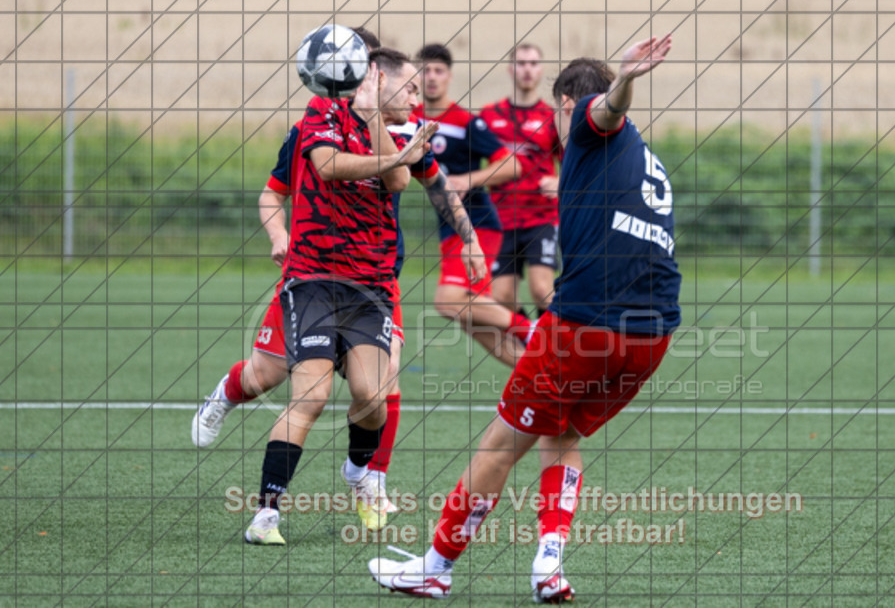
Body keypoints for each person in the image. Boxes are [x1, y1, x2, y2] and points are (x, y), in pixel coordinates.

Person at [369, 35, 680, 602]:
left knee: (500, 443)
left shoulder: (588, 122)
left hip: (588, 324)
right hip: (654, 335)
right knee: (560, 432)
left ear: (564, 106)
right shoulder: (646, 158)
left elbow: (606, 107)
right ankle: (549, 565)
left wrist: (626, 78)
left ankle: (436, 566)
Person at [193, 46, 486, 545]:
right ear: (373, 77)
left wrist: (471, 239)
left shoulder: (403, 130)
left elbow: (400, 180)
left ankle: (362, 472)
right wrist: (279, 234)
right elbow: (326, 168)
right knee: (297, 388)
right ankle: (266, 515)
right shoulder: (320, 114)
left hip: (372, 285)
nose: (419, 96)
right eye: (410, 86)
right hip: (311, 280)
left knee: (374, 394)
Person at [414, 43, 534, 367]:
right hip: (449, 229)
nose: (432, 77)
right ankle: (539, 378)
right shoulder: (410, 121)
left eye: (438, 71)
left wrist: (469, 179)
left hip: (478, 224)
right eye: (425, 70)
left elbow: (513, 165)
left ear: (449, 77)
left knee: (448, 301)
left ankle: (532, 329)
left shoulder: (464, 121)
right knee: (473, 322)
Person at [480, 43, 562, 318]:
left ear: (540, 71)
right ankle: (532, 341)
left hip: (541, 217)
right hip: (500, 218)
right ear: (510, 69)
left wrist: (560, 181)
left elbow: (574, 164)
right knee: (501, 296)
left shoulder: (552, 117)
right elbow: (470, 160)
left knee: (542, 290)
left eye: (533, 63)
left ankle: (557, 348)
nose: (527, 69)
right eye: (521, 63)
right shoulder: (489, 116)